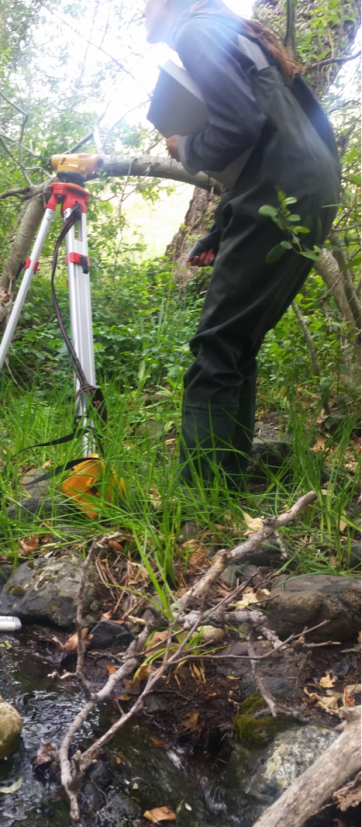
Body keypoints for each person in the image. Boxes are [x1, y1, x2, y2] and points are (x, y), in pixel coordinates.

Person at [143, 0, 341, 490]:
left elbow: (238, 127)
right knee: (238, 344)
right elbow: (272, 137)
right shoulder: (232, 33)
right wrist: (224, 226)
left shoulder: (196, 32)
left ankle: (203, 502)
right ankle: (226, 481)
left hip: (282, 189)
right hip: (308, 189)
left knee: (217, 346)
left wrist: (183, 147)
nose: (139, 11)